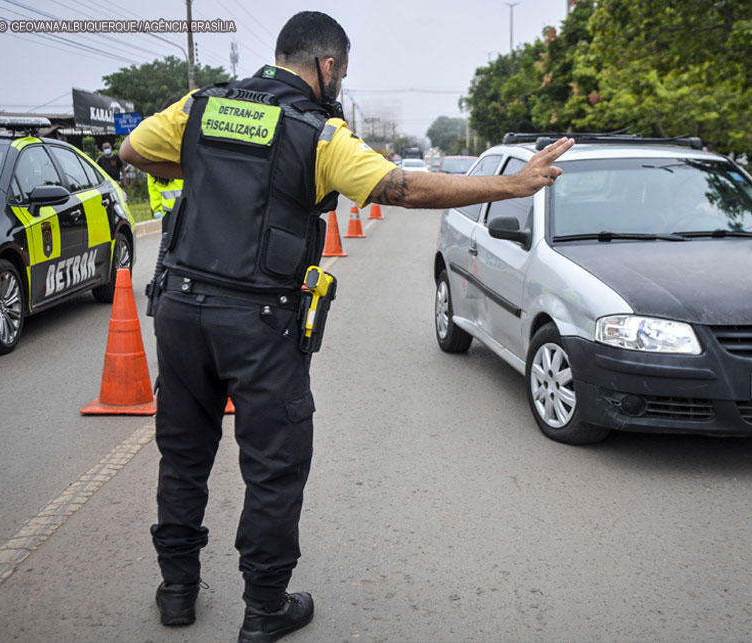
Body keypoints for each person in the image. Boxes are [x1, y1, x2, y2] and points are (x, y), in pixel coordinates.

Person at [120, 10, 572, 642]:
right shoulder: (318, 135)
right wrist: (514, 183)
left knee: (183, 453)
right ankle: (264, 609)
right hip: (258, 321)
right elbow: (404, 188)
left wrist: (202, 171)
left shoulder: (201, 105)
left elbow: (132, 151)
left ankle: (176, 593)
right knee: (273, 467)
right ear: (327, 68)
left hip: (181, 310)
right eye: (342, 74)